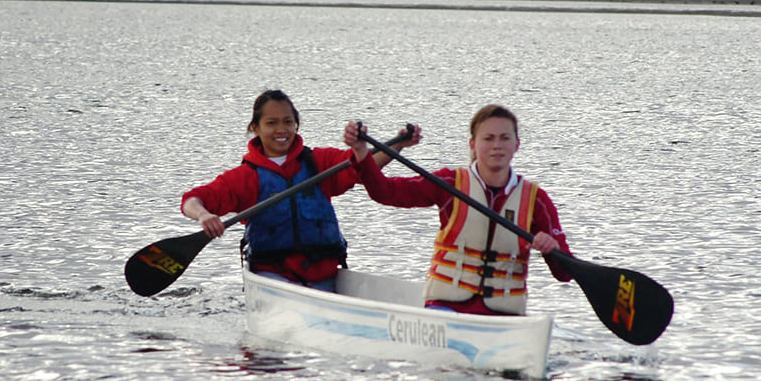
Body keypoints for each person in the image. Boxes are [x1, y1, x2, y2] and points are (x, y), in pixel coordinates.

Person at [343, 104, 572, 316]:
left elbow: (564, 274)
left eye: (505, 138)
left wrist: (551, 250)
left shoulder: (536, 200)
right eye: (488, 138)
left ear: (517, 144)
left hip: (504, 316)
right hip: (447, 308)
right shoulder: (449, 183)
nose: (496, 146)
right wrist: (361, 151)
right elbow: (385, 192)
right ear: (473, 144)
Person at [181, 89, 419, 291]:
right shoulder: (245, 177)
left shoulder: (319, 161)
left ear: (296, 124)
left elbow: (364, 164)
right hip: (272, 277)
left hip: (324, 275)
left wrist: (398, 144)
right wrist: (203, 214)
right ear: (256, 128)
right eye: (271, 123)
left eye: (288, 122)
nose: (281, 130)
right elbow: (192, 200)